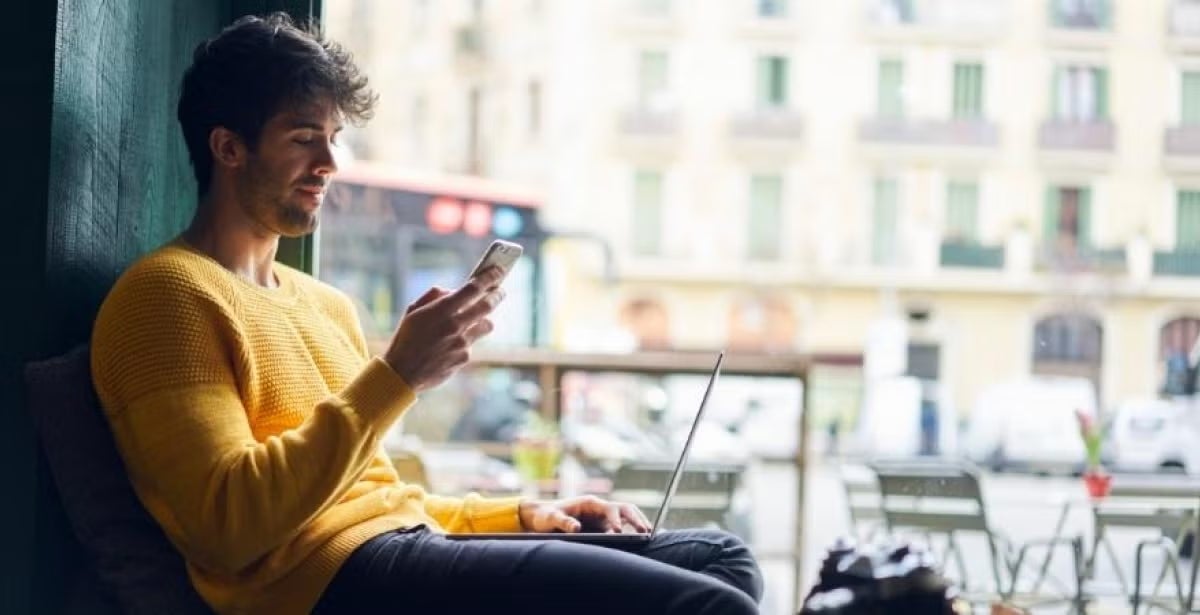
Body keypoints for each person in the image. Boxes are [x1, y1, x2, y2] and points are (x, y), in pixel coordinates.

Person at [90, 13, 762, 615]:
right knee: (700, 601)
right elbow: (228, 525)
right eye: (303, 138)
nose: (329, 163)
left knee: (723, 560)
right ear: (228, 147)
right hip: (325, 585)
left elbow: (385, 501)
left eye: (334, 137)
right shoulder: (166, 295)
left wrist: (522, 515)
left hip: (396, 551)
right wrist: (397, 373)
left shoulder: (323, 303)